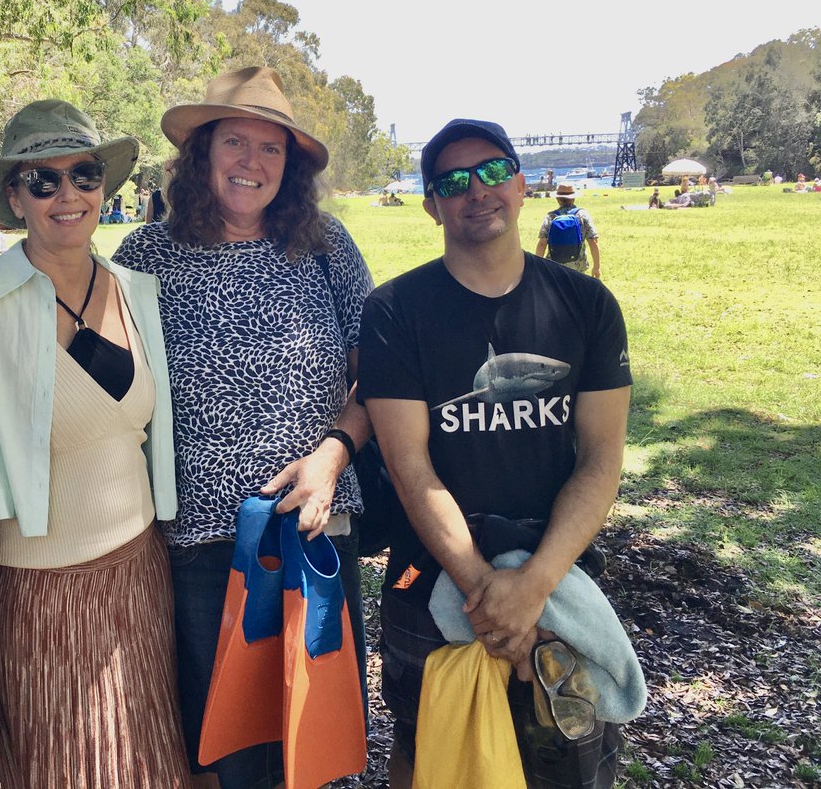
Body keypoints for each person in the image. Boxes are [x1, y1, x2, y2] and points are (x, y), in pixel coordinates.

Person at [113, 66, 374, 789]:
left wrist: (331, 456)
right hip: (202, 541)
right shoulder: (147, 256)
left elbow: (379, 377)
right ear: (202, 153)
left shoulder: (326, 247)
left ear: (290, 168)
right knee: (222, 750)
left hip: (315, 526)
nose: (251, 163)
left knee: (313, 739)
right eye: (236, 142)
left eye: (271, 149)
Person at [357, 118, 632, 788]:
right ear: (432, 205)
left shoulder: (587, 304)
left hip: (562, 574)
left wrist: (534, 584)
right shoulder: (395, 310)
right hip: (435, 578)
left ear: (521, 182)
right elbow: (408, 467)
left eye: (490, 171)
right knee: (428, 752)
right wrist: (484, 590)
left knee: (568, 755)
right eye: (452, 181)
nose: (474, 190)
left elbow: (601, 457)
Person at [0, 99, 191, 787]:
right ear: (14, 196)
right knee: (66, 765)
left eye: (84, 175)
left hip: (142, 574)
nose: (68, 195)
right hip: (37, 593)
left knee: (147, 757)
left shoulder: (136, 292)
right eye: (43, 180)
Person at [535, 184, 601, 278]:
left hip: (554, 267)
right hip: (578, 266)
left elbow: (542, 244)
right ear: (573, 198)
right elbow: (593, 242)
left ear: (557, 199)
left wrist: (538, 267)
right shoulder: (583, 215)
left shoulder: (551, 216)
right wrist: (596, 267)